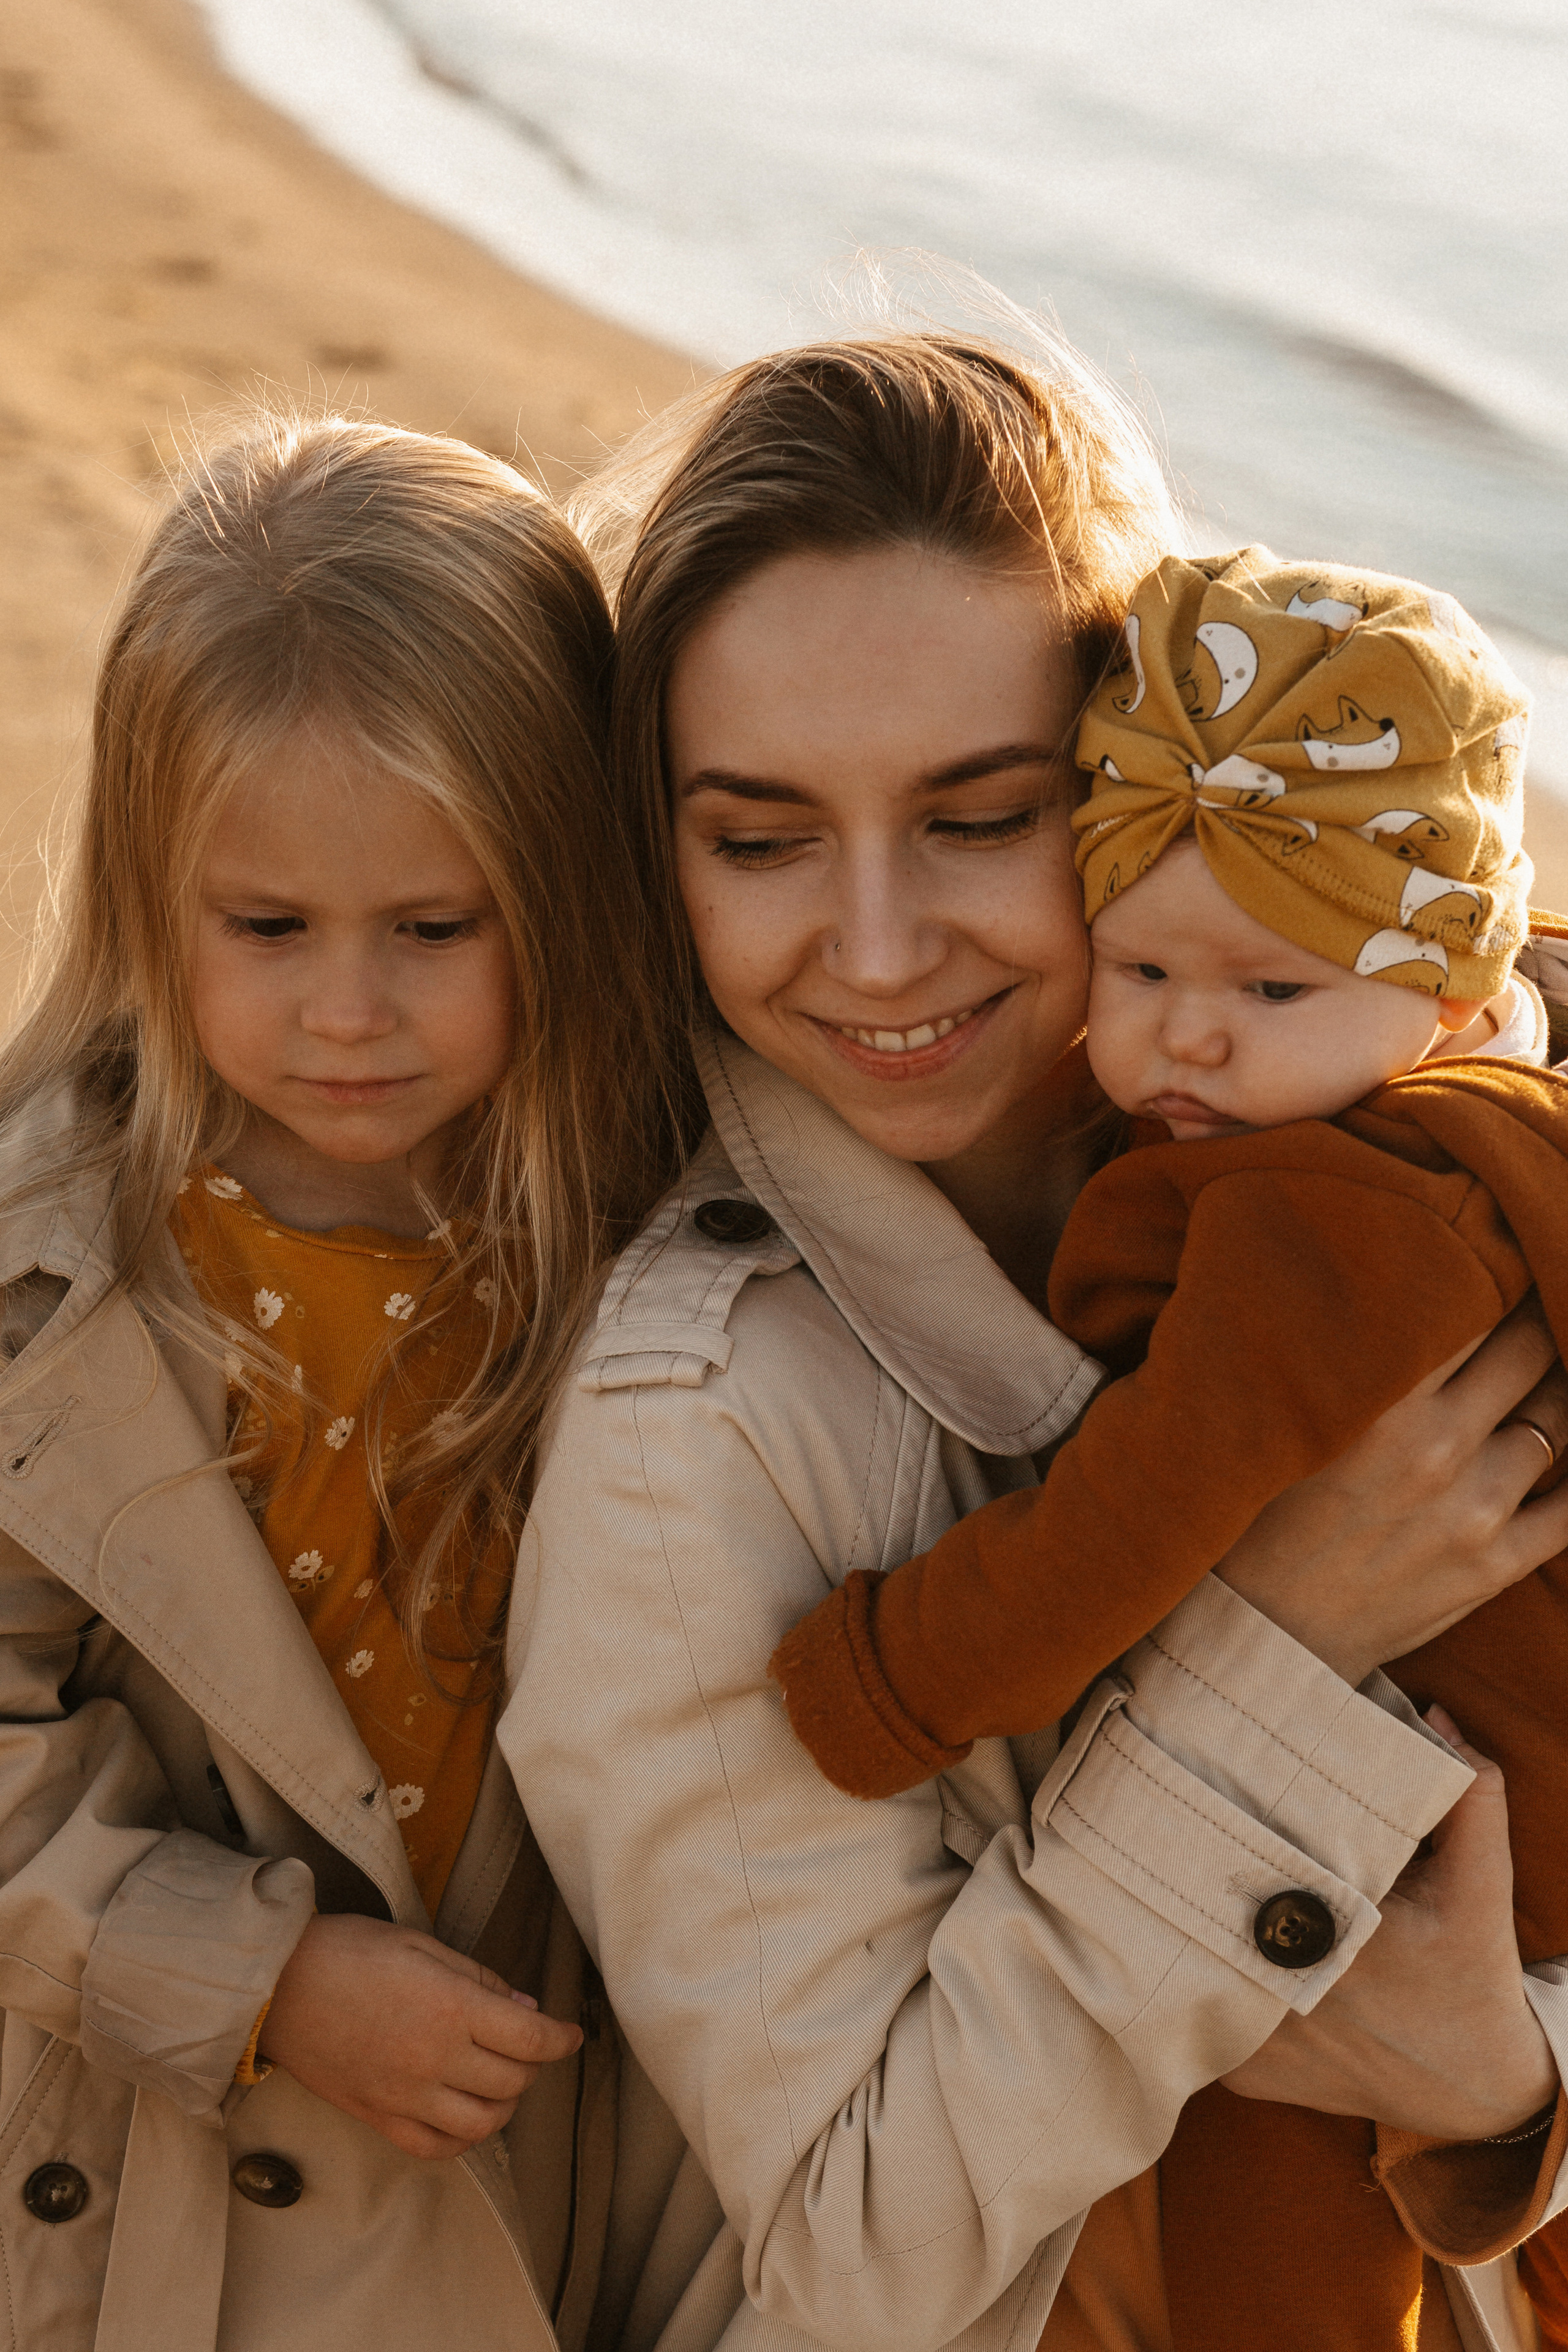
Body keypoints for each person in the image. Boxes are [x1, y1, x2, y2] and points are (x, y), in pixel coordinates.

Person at [499, 328, 1568, 2352]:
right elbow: (856, 2240)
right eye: (761, 838)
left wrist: (1506, 2087)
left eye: (981, 819)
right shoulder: (696, 1426)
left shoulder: (1427, 1168)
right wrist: (1261, 1655)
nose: (882, 947)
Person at [769, 542, 1568, 2343]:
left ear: (1447, 995)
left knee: (1265, 2224)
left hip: (1429, 1814)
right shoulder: (1482, 1114)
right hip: (1471, 1801)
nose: (1186, 1032)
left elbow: (1127, 1522)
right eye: (1137, 962)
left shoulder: (1332, 1219)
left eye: (1273, 993)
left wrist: (887, 1680)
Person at [0, 414, 690, 2352]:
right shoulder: (52, 1273)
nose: (347, 1011)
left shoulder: (650, 1242)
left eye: (433, 928)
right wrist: (267, 1982)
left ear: (560, 885)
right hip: (136, 2189)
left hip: (524, 2183)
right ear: (153, 889)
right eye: (270, 928)